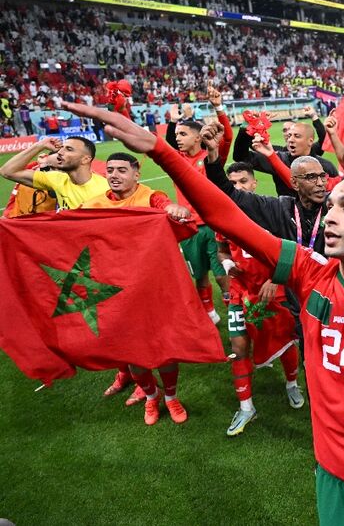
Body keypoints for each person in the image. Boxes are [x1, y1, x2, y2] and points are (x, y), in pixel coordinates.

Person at [64, 59, 344, 526]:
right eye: (330, 207)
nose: (331, 217)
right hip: (332, 474)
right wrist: (163, 152)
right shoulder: (309, 273)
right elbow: (228, 219)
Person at [81, 152, 191, 425]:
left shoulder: (150, 197)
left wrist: (174, 210)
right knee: (132, 350)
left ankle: (171, 397)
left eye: (121, 170)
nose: (114, 175)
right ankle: (152, 397)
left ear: (136, 174)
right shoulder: (92, 205)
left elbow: (169, 207)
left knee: (164, 346)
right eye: (110, 170)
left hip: (152, 285)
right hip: (114, 290)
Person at [216, 161, 304, 436]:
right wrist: (228, 265)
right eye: (233, 183)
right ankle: (246, 407)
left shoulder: (272, 214)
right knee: (239, 346)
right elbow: (222, 249)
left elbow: (294, 252)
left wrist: (274, 279)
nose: (238, 187)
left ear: (254, 184)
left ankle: (291, 384)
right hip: (240, 291)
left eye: (243, 181)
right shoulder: (224, 216)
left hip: (273, 290)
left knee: (284, 340)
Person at [171, 118, 230, 324]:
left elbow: (227, 139)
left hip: (213, 226)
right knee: (200, 274)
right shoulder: (175, 160)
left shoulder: (210, 158)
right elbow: (150, 145)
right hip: (188, 229)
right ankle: (209, 314)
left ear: (198, 137)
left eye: (183, 134)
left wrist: (220, 110)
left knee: (222, 274)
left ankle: (234, 312)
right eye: (177, 134)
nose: (178, 138)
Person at [233, 119, 338, 196]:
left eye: (297, 136)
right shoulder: (279, 158)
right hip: (286, 218)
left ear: (310, 141)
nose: (290, 140)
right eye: (289, 136)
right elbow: (241, 157)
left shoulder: (326, 166)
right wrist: (245, 127)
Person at [0, 136, 108, 210]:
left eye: (69, 149)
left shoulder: (104, 190)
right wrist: (40, 145)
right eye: (61, 148)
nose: (60, 152)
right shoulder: (57, 179)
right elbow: (7, 171)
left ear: (85, 159)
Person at [2, 150, 59, 218]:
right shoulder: (31, 171)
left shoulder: (67, 178)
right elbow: (7, 172)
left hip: (44, 220)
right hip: (20, 218)